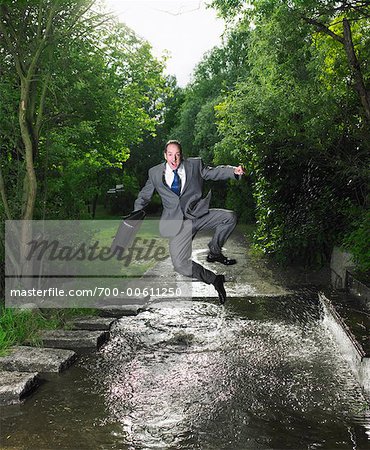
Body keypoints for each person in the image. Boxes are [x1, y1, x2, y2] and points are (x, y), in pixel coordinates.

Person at [133, 140, 244, 303]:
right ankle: (215, 280)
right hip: (178, 225)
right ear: (165, 155)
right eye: (170, 154)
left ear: (182, 155)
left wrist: (233, 171)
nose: (174, 159)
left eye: (177, 154)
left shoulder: (194, 165)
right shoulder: (155, 173)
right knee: (180, 265)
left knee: (229, 217)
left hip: (198, 215)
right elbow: (144, 197)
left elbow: (213, 173)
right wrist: (136, 214)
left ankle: (214, 251)